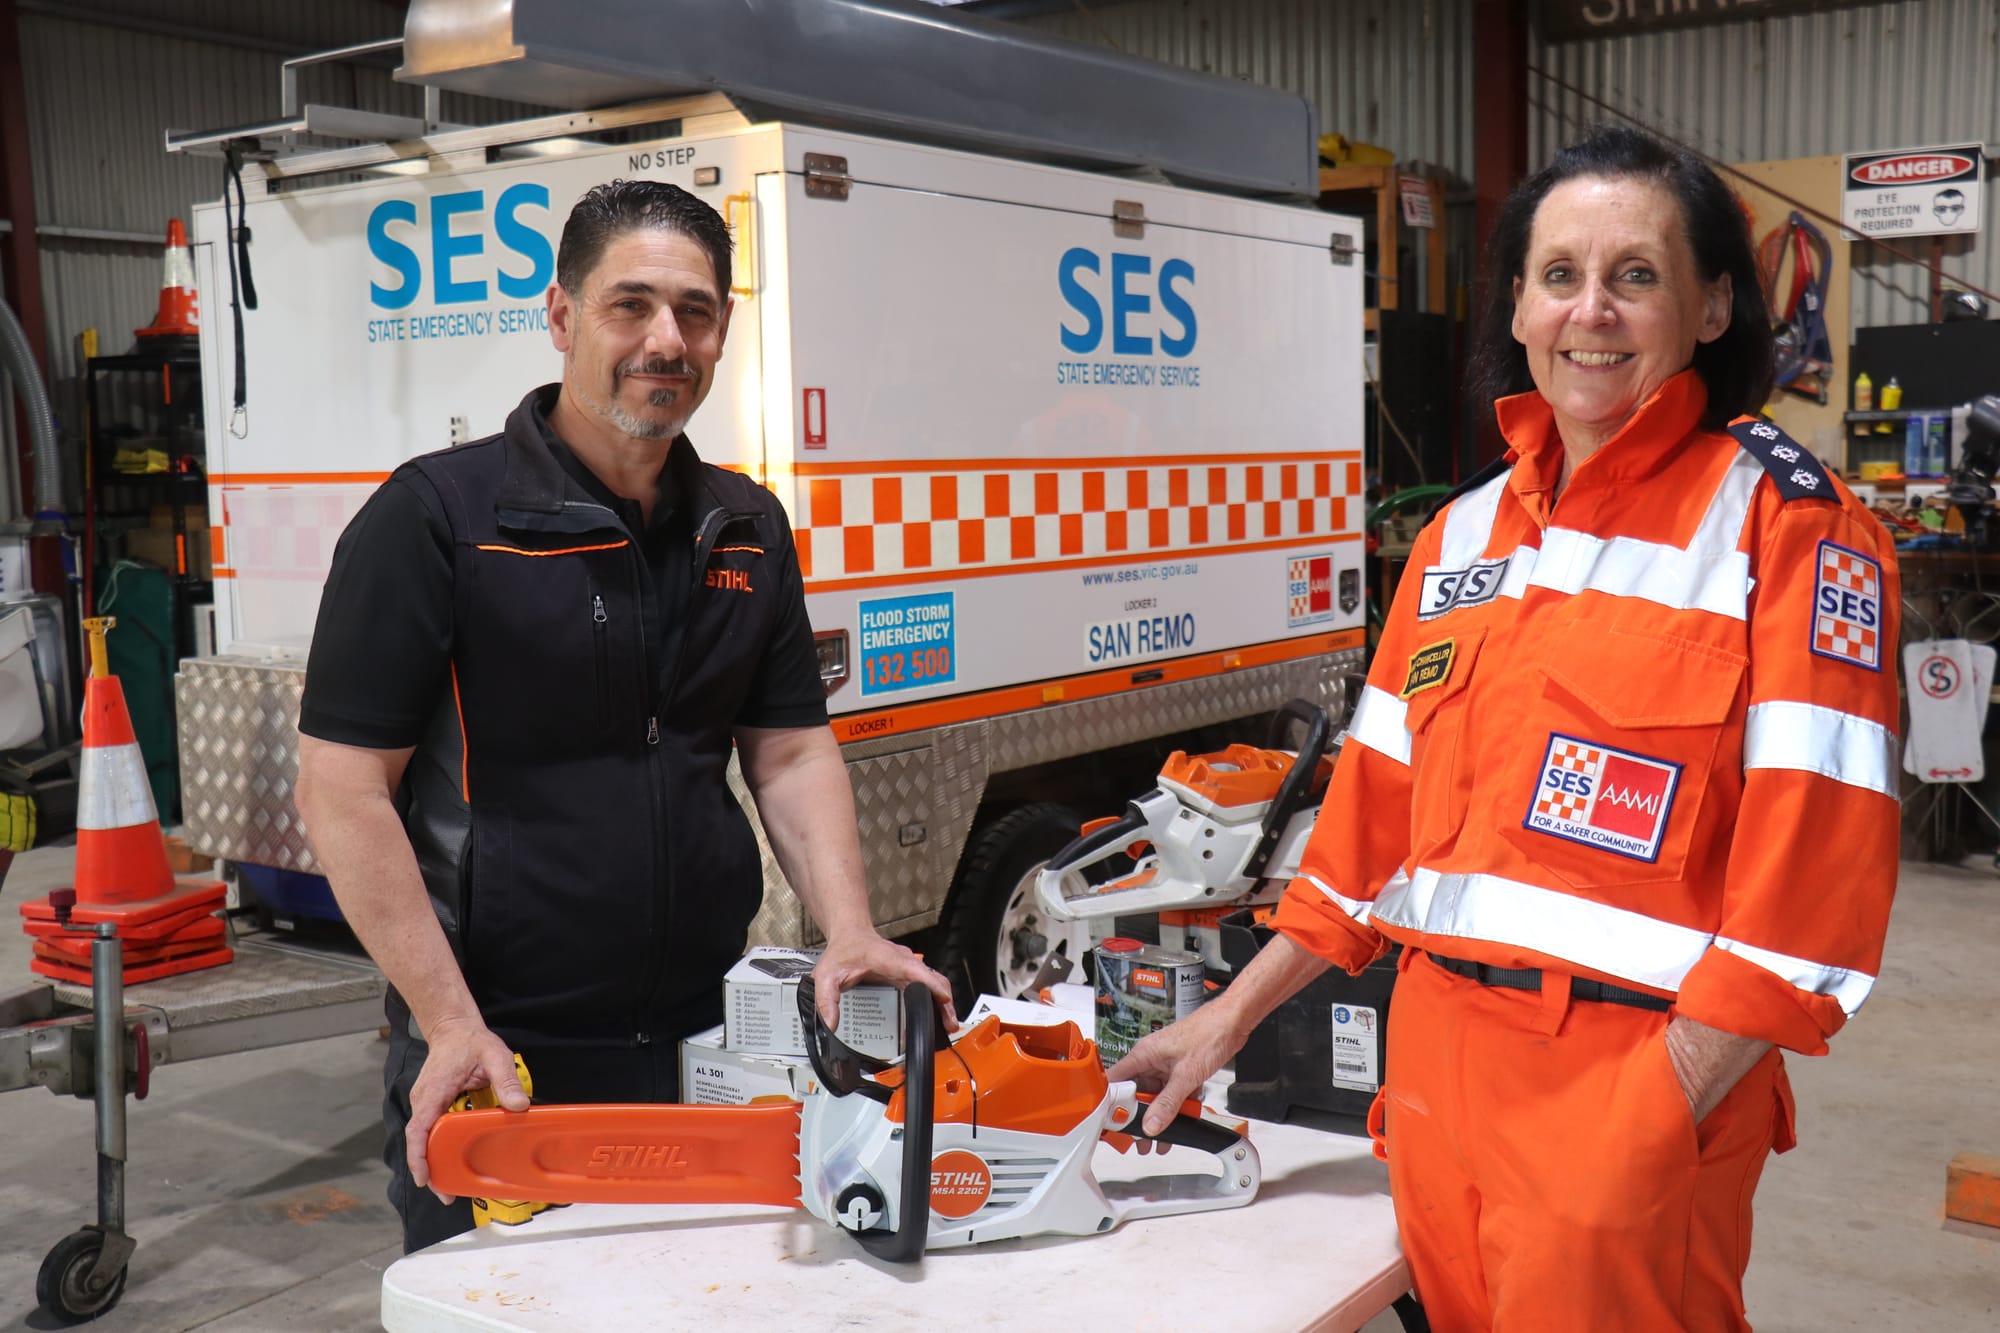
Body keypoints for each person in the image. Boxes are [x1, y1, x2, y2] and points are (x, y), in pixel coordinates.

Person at [1116, 125, 1901, 1331]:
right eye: (1557, 276)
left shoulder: (1787, 531)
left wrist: (1656, 1111)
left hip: (1623, 1089)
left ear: (1707, 309)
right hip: (1434, 1074)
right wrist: (1226, 1017)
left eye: (1634, 275)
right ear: (1520, 311)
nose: (1591, 310)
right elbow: (1366, 840)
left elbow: (1816, 887)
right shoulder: (1460, 538)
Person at [294, 180, 952, 1253]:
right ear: (560, 317)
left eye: (693, 312)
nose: (665, 340)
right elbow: (341, 789)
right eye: (629, 305)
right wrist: (451, 1021)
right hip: (504, 1051)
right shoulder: (438, 521)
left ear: (723, 331)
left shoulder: (744, 524)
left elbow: (786, 751)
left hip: (709, 1034)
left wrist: (850, 930)